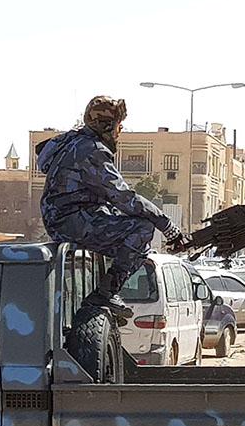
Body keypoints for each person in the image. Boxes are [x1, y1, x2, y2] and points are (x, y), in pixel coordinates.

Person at [37, 95, 186, 320]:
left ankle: (102, 289)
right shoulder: (91, 150)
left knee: (126, 232)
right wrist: (166, 224)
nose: (119, 131)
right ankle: (106, 292)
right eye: (118, 126)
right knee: (142, 229)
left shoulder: (69, 142)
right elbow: (124, 197)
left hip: (63, 218)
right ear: (108, 126)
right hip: (71, 221)